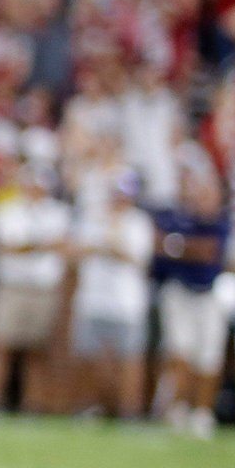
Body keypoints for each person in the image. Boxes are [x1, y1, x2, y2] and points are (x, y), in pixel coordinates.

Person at [0, 154, 71, 413]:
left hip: (42, 288)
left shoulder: (57, 212)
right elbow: (8, 247)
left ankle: (33, 406)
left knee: (37, 351)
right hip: (11, 286)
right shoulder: (7, 210)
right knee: (0, 345)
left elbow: (63, 246)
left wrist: (29, 246)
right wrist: (41, 245)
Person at [149, 164, 232, 437]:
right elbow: (159, 246)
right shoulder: (178, 217)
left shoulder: (221, 223)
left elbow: (207, 252)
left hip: (209, 293)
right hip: (180, 290)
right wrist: (183, 248)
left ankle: (202, 412)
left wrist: (179, 248)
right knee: (179, 351)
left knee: (208, 356)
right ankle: (177, 408)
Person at [69, 172, 156, 419]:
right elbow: (77, 250)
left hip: (126, 302)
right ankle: (89, 407)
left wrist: (109, 246)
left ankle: (129, 411)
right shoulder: (93, 217)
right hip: (93, 298)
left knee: (130, 359)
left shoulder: (139, 222)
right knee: (88, 357)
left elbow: (137, 258)